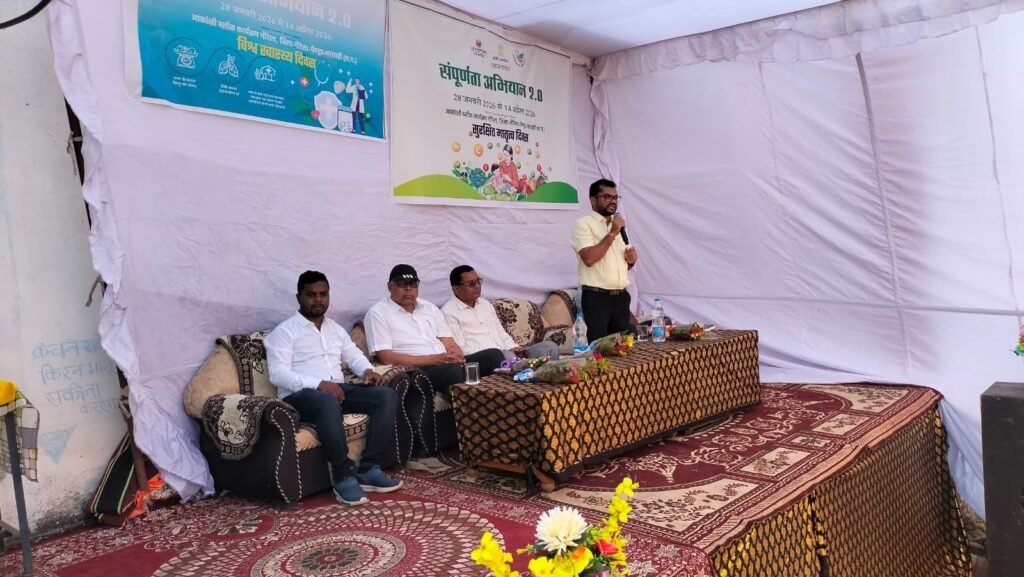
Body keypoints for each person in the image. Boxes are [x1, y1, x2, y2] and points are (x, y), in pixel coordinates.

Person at [265, 271, 402, 507]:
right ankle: (343, 475)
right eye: (311, 295)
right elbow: (278, 374)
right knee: (327, 398)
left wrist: (367, 370)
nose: (318, 300)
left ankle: (369, 469)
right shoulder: (285, 332)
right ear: (299, 298)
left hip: (335, 391)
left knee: (386, 396)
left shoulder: (335, 329)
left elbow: (353, 355)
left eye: (323, 294)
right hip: (301, 397)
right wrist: (318, 384)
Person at [365, 264, 504, 396]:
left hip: (444, 362)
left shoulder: (429, 308)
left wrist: (457, 357)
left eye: (413, 284)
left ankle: (499, 404)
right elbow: (386, 357)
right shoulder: (378, 313)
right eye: (402, 284)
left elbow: (449, 342)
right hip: (419, 369)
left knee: (493, 355)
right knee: (452, 370)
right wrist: (434, 360)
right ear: (390, 287)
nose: (408, 289)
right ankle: (469, 410)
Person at [442, 265, 560, 362]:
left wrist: (513, 347)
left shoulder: (484, 304)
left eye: (478, 281)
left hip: (505, 352)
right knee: (507, 357)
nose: (477, 286)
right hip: (484, 359)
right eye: (471, 284)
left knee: (550, 348)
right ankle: (523, 369)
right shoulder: (449, 312)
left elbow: (501, 333)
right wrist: (497, 353)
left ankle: (534, 374)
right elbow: (459, 349)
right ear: (456, 289)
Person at [570, 178, 639, 341]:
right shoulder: (583, 225)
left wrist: (630, 261)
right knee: (599, 349)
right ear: (593, 200)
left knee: (622, 348)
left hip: (621, 297)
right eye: (607, 197)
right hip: (597, 299)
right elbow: (589, 258)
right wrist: (612, 233)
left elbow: (617, 265)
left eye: (615, 197)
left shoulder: (618, 226)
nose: (613, 201)